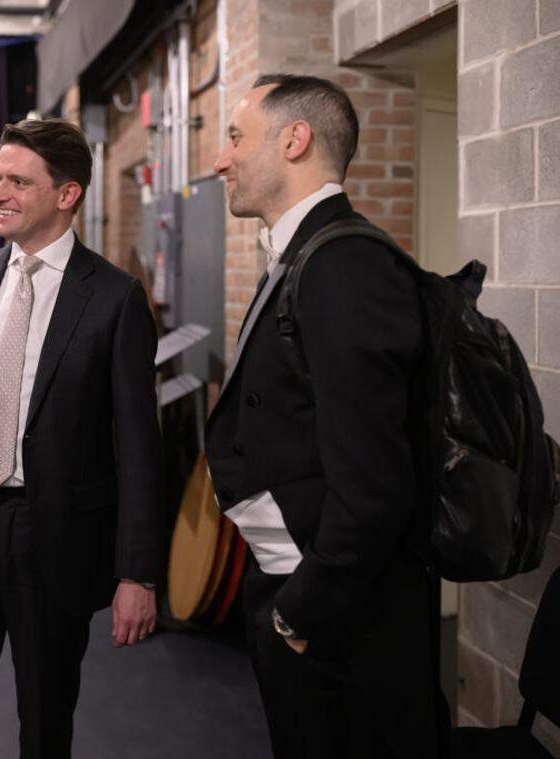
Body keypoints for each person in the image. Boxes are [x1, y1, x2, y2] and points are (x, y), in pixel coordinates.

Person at [0, 118, 162, 758]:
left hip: (55, 534)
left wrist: (139, 574)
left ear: (66, 194)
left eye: (18, 181)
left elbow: (139, 451)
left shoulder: (116, 298)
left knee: (44, 726)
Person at [205, 73, 446, 758]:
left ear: (295, 140)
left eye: (236, 137)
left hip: (343, 621)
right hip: (309, 594)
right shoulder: (308, 253)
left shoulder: (345, 265)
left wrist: (296, 614)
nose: (221, 160)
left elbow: (373, 487)